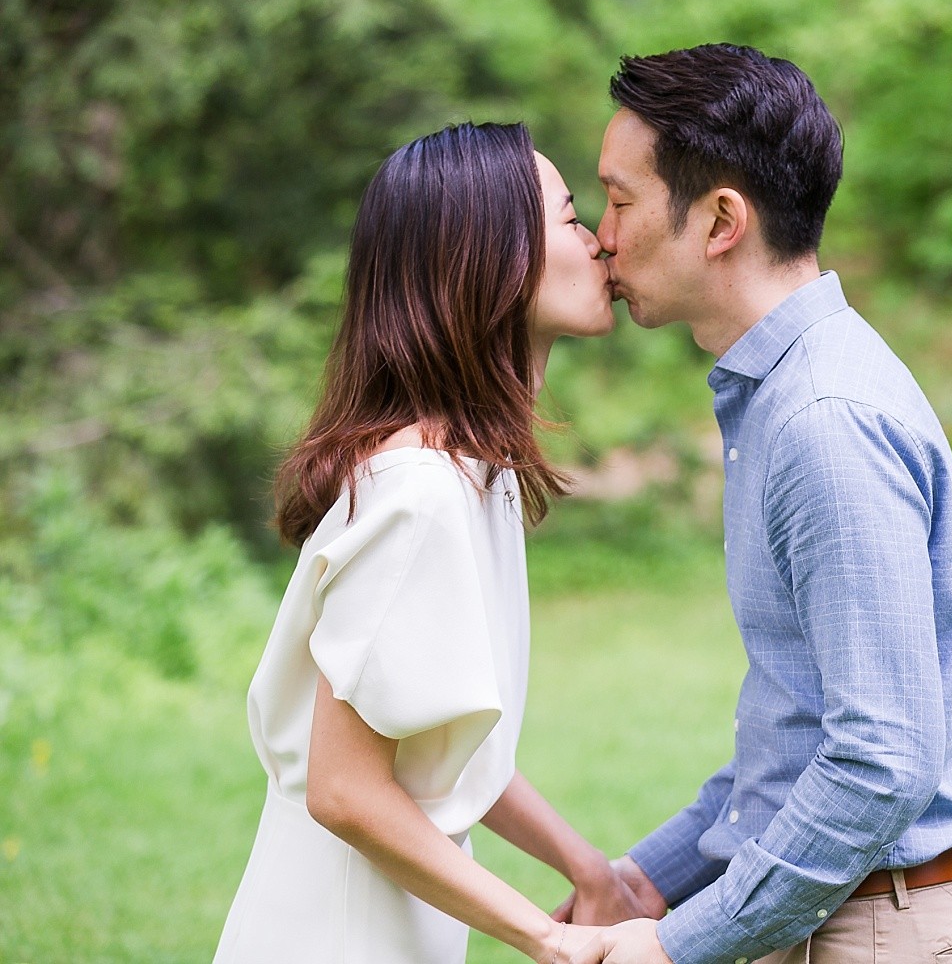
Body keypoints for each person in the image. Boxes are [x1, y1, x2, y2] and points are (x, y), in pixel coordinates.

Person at [565, 45, 952, 964]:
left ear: (721, 220)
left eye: (619, 200)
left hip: (881, 933)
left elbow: (879, 759)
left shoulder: (824, 420)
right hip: (836, 920)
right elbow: (803, 724)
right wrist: (649, 880)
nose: (603, 236)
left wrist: (673, 944)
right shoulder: (785, 397)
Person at [213, 121, 643, 964]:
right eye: (569, 218)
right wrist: (546, 937)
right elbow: (344, 789)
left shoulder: (479, 474)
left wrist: (587, 870)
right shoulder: (421, 492)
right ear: (492, 259)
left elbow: (438, 746)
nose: (600, 242)